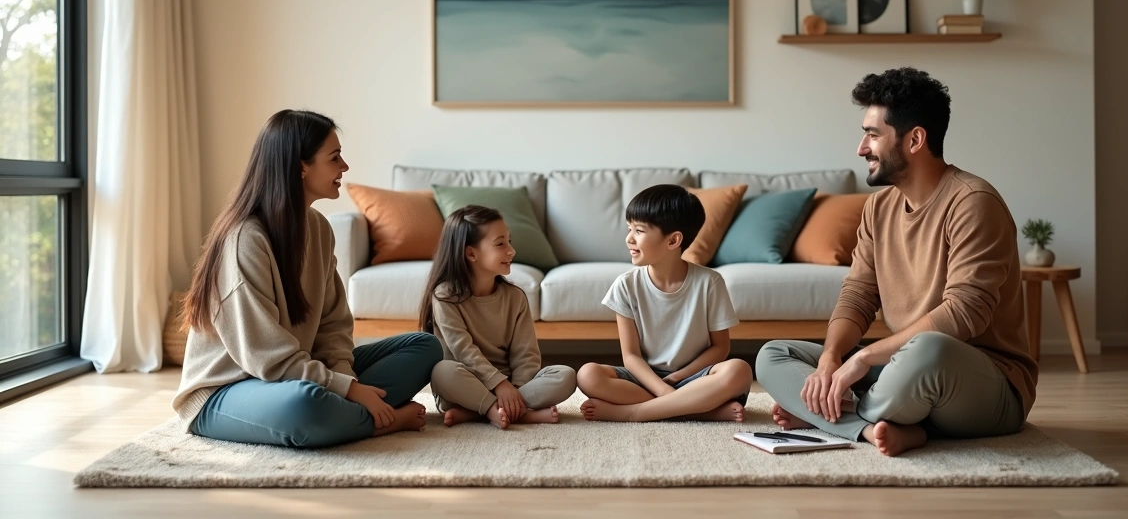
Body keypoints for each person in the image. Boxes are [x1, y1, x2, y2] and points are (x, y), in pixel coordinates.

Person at [756, 67, 1038, 456]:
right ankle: (878, 425)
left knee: (929, 349)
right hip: (901, 370)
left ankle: (825, 414)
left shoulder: (973, 202)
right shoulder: (878, 208)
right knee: (773, 355)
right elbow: (857, 295)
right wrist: (830, 360)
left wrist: (864, 359)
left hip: (983, 383)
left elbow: (965, 313)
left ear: (915, 139)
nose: (861, 148)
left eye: (873, 135)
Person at [172, 110, 443, 448]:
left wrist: (344, 379)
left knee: (425, 346)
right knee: (304, 405)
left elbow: (334, 325)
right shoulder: (246, 240)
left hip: (298, 373)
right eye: (334, 157)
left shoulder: (318, 229)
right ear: (301, 166)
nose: (344, 166)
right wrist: (351, 391)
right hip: (228, 389)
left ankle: (344, 417)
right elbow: (266, 356)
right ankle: (379, 423)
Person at [577, 184, 753, 422]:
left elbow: (720, 348)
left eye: (639, 230)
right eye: (629, 228)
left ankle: (634, 413)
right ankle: (701, 411)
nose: (629, 238)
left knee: (739, 370)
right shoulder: (626, 285)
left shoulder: (710, 282)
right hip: (646, 378)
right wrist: (662, 390)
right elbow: (631, 356)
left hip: (694, 377)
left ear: (673, 240)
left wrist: (677, 378)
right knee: (588, 375)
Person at [421, 205, 577, 429]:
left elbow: (526, 354)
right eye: (500, 244)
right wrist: (499, 385)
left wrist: (514, 388)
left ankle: (484, 412)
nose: (511, 251)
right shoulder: (445, 297)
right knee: (441, 372)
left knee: (566, 376)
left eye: (509, 241)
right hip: (467, 383)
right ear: (471, 253)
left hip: (512, 386)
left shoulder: (515, 297)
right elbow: (464, 351)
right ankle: (514, 412)